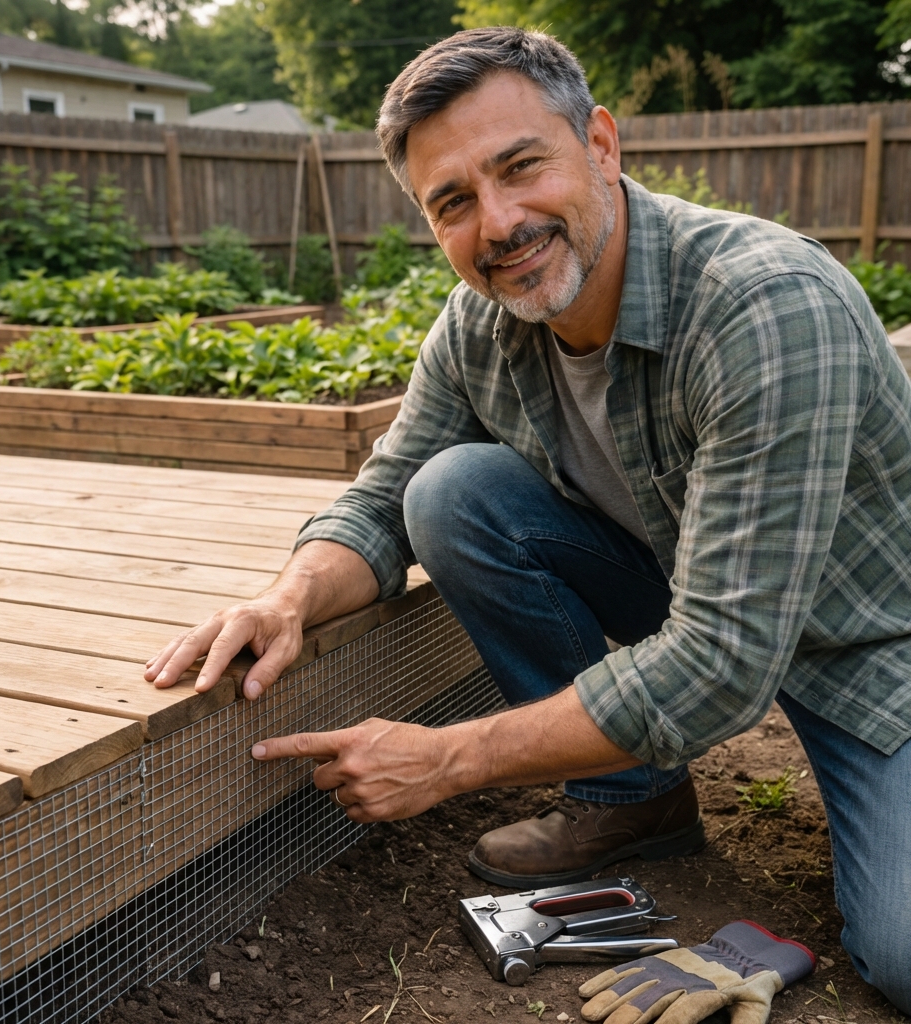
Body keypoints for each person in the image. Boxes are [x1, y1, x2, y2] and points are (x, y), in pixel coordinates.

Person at [144, 28, 911, 1011]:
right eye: (452, 202)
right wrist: (288, 596)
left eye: (519, 167)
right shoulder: (481, 327)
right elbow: (384, 495)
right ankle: (633, 799)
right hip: (687, 590)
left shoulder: (762, 308)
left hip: (867, 644)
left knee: (900, 953)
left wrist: (445, 758)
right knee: (449, 493)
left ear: (599, 144)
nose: (497, 223)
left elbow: (722, 662)